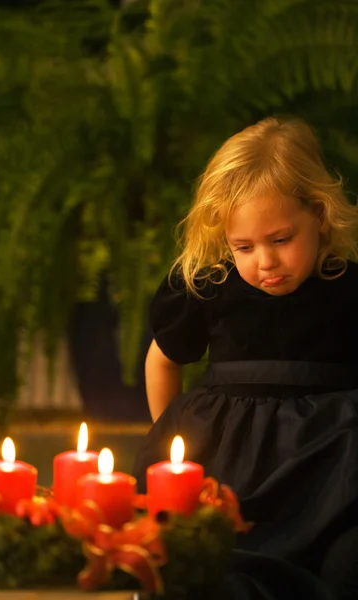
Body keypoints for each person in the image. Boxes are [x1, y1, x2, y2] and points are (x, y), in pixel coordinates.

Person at [133, 116, 358, 600]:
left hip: (331, 467)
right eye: (244, 247)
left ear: (318, 214)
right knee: (211, 572)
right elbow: (162, 361)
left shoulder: (349, 288)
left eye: (281, 239)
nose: (266, 262)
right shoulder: (209, 288)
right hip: (228, 462)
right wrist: (176, 456)